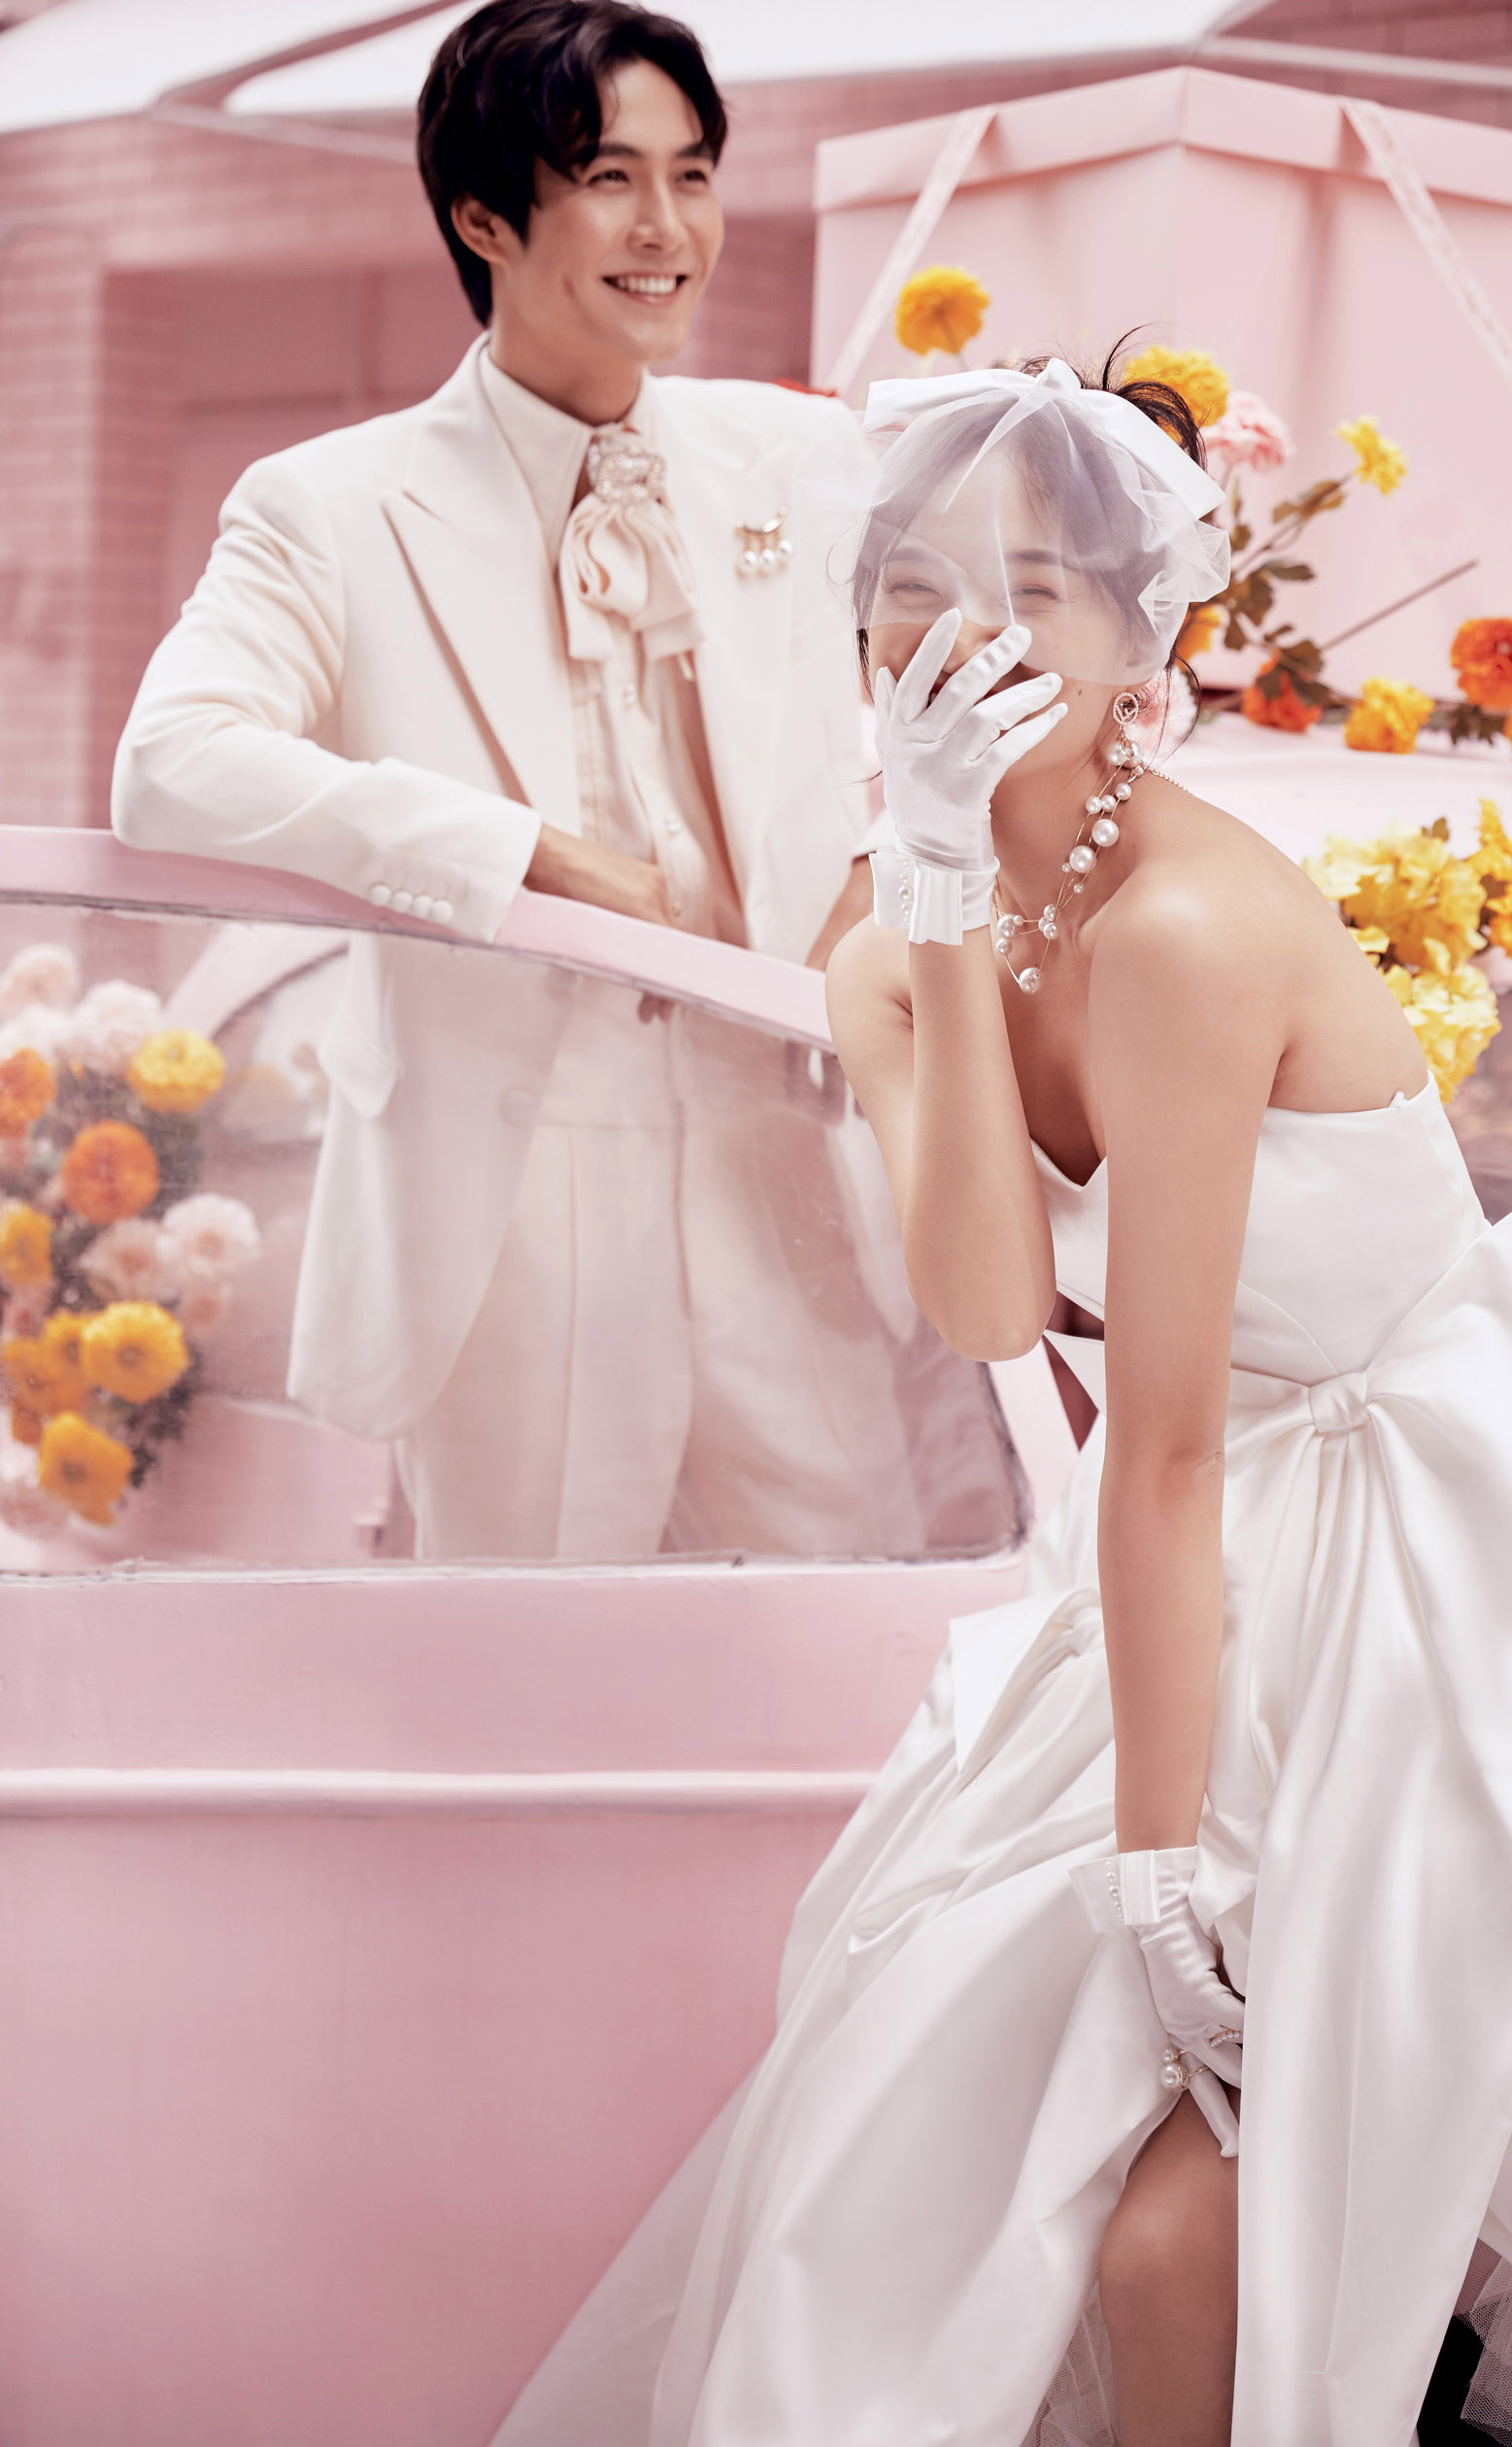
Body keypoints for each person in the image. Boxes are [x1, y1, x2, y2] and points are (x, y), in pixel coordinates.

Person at [489, 356, 1512, 2446]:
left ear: (1141, 637)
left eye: (1034, 586)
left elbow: (1164, 1435)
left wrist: (1158, 1867)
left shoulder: (1192, 929)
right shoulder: (888, 930)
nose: (967, 631)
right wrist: (932, 903)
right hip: (1210, 1537)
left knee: (1198, 2201)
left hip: (1420, 1523)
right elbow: (994, 1300)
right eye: (918, 583)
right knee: (918, 2077)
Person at [111, 0, 911, 1561]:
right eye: (610, 179)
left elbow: (941, 704)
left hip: (785, 1154)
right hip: (512, 1197)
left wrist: (875, 871)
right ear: (483, 217)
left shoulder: (806, 458)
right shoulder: (329, 507)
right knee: (532, 1636)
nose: (667, 228)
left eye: (693, 175)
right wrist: (524, 854)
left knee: (844, 1601)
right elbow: (173, 763)